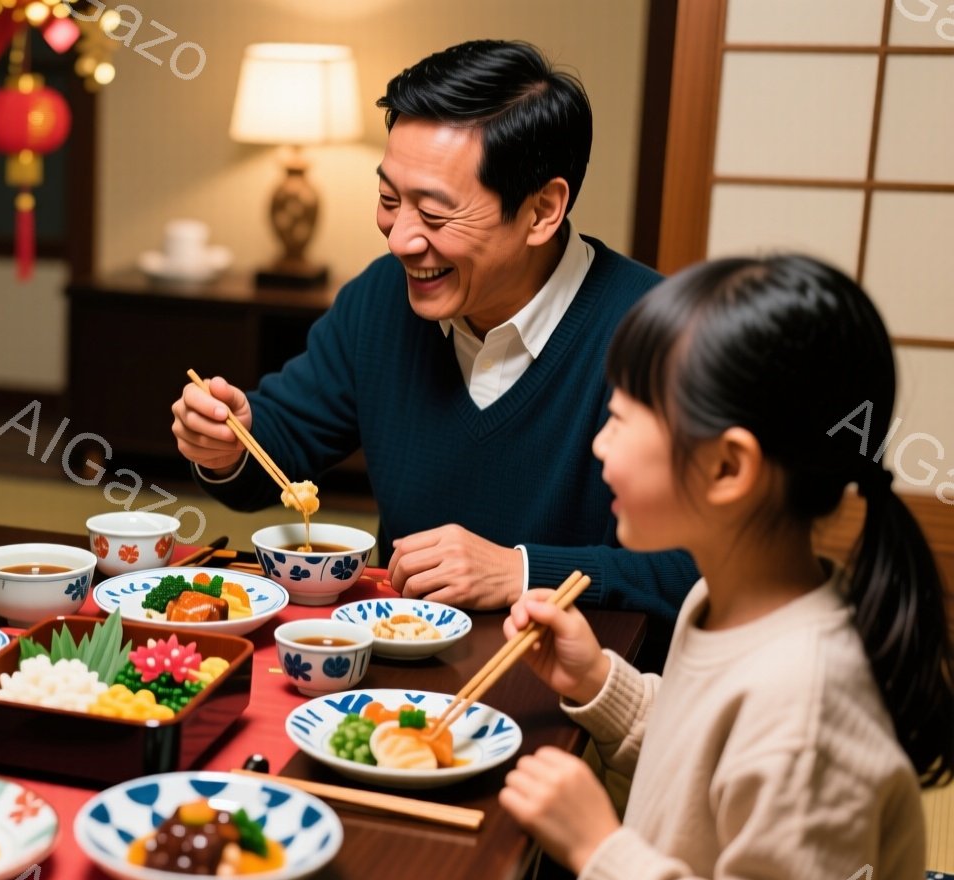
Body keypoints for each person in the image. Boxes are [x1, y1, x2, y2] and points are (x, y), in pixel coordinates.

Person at [172, 40, 695, 624]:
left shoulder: (660, 336)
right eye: (389, 199)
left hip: (574, 686)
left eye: (436, 214)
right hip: (398, 666)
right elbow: (276, 453)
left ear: (542, 211)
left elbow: (701, 571)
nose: (400, 240)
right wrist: (226, 445)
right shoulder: (380, 298)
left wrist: (519, 571)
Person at [497, 256, 951, 880]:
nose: (598, 445)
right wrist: (596, 678)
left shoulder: (806, 706)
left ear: (728, 466)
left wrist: (600, 851)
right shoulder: (721, 601)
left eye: (620, 419)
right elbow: (705, 768)